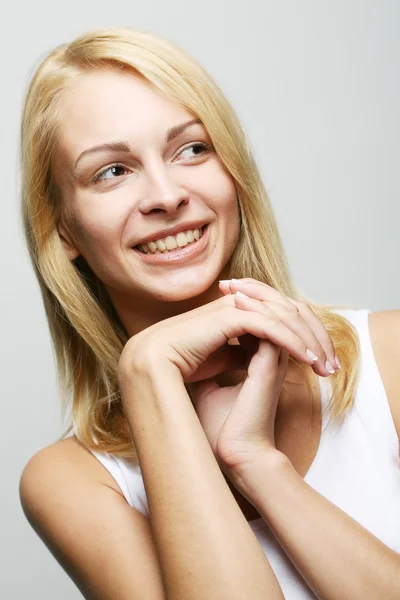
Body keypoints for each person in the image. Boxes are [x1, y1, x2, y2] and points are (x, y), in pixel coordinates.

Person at [18, 26, 400, 600]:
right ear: (64, 227)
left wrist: (258, 465)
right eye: (112, 171)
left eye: (192, 148)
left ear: (233, 171)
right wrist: (149, 373)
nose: (166, 195)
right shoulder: (73, 483)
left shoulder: (388, 359)